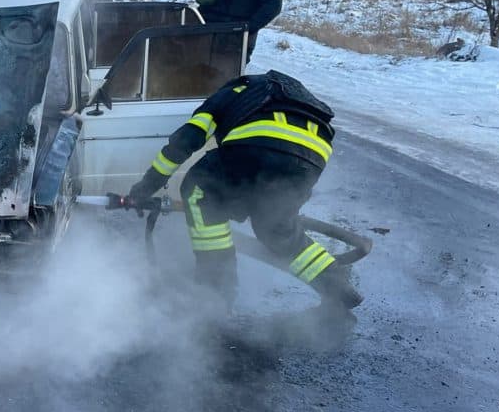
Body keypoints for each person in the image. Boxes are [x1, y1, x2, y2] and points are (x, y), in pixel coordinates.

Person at [127, 69, 363, 312]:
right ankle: (337, 286)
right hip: (312, 158)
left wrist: (145, 187)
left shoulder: (229, 93)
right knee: (278, 231)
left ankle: (216, 291)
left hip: (258, 144)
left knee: (199, 191)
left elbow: (185, 141)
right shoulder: (285, 94)